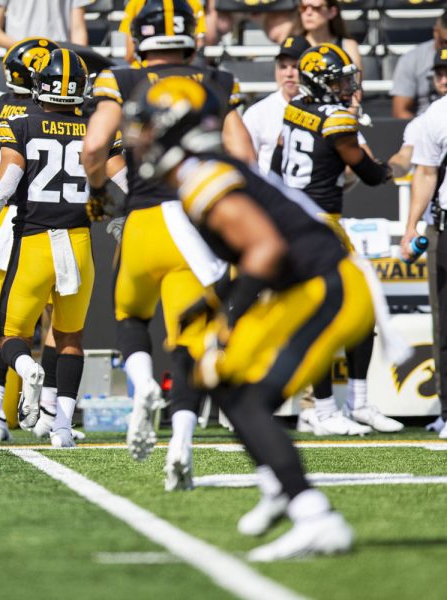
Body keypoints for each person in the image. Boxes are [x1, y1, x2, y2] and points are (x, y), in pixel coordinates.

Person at [123, 74, 408, 560]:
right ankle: (276, 480)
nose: (139, 137)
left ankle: (315, 515)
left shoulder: (202, 178)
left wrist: (229, 313)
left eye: (148, 125)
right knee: (208, 368)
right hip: (302, 286)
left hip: (326, 287)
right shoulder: (204, 172)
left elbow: (266, 248)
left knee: (248, 394)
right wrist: (214, 305)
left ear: (173, 126)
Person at [82, 0, 254, 491]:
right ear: (193, 37)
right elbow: (245, 153)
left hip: (144, 219)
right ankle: (181, 439)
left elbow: (94, 148)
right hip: (197, 223)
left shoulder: (123, 79)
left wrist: (97, 191)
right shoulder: (219, 83)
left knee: (130, 318)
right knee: (188, 337)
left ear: (137, 40)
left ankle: (141, 389)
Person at [0, 49, 124, 448]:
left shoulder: (20, 124)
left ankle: (27, 371)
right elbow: (125, 186)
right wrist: (128, 223)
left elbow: (1, 189)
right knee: (71, 339)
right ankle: (61, 430)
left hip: (33, 241)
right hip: (79, 244)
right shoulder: (96, 127)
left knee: (10, 336)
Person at [272, 43, 402, 435]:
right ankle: (330, 408)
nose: (347, 86)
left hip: (297, 221)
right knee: (339, 313)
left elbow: (278, 164)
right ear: (320, 82)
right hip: (320, 225)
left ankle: (351, 404)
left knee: (353, 310)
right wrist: (394, 165)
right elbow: (371, 175)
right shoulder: (335, 119)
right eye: (340, 80)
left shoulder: (295, 109)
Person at [0, 36, 63, 443]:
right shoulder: (57, 111)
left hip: (3, 220)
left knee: (0, 323)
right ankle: (51, 416)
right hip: (54, 219)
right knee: (57, 323)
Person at [402, 77, 447, 440]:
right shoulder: (438, 113)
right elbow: (426, 172)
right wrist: (411, 226)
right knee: (444, 322)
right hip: (446, 226)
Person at [242, 35, 310, 174]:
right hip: (270, 191)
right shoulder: (257, 112)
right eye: (283, 67)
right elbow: (247, 163)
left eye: (295, 66)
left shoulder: (322, 108)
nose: (288, 73)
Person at [389, 49, 447, 178]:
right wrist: (387, 170)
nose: (444, 81)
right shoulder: (424, 122)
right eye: (439, 74)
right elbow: (405, 155)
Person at [391, 14, 447, 119]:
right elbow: (400, 111)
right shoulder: (412, 59)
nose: (444, 80)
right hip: (426, 126)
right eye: (445, 41)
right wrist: (423, 129)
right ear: (436, 32)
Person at [118, 0, 209, 63]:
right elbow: (198, 46)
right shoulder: (192, 3)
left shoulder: (136, 3)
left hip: (143, 77)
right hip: (182, 74)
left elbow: (129, 54)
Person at [0, 0, 88, 50]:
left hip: (59, 62)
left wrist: (78, 60)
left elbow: (78, 30)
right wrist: (27, 49)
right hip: (20, 61)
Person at [292, 0, 361, 73]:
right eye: (303, 7)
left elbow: (355, 81)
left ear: (332, 12)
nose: (308, 13)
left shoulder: (347, 46)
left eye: (316, 7)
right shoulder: (292, 45)